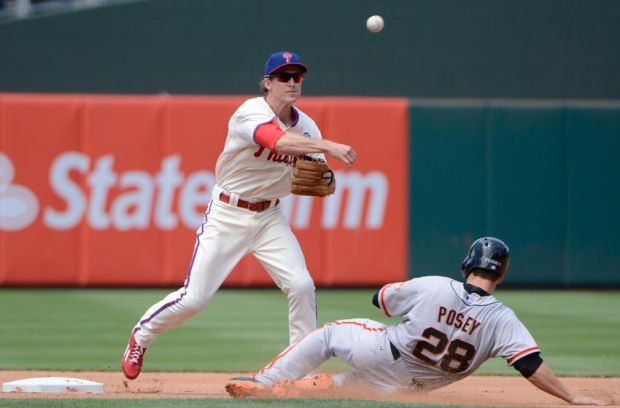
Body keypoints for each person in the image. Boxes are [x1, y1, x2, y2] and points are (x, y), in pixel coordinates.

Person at [122, 50, 357, 380]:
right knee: (194, 299)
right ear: (267, 83)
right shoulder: (250, 111)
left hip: (269, 218)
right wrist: (329, 147)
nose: (291, 82)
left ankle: (302, 372)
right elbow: (273, 140)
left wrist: (323, 173)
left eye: (297, 76)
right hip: (227, 214)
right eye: (283, 76)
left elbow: (313, 170)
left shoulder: (308, 128)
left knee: (302, 286)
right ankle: (141, 336)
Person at [225, 237, 607, 406]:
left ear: (466, 265)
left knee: (328, 336)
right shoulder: (504, 321)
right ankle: (305, 390)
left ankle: (268, 383)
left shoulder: (435, 286)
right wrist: (571, 396)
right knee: (347, 389)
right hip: (410, 388)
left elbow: (380, 300)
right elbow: (529, 365)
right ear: (500, 277)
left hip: (383, 354)